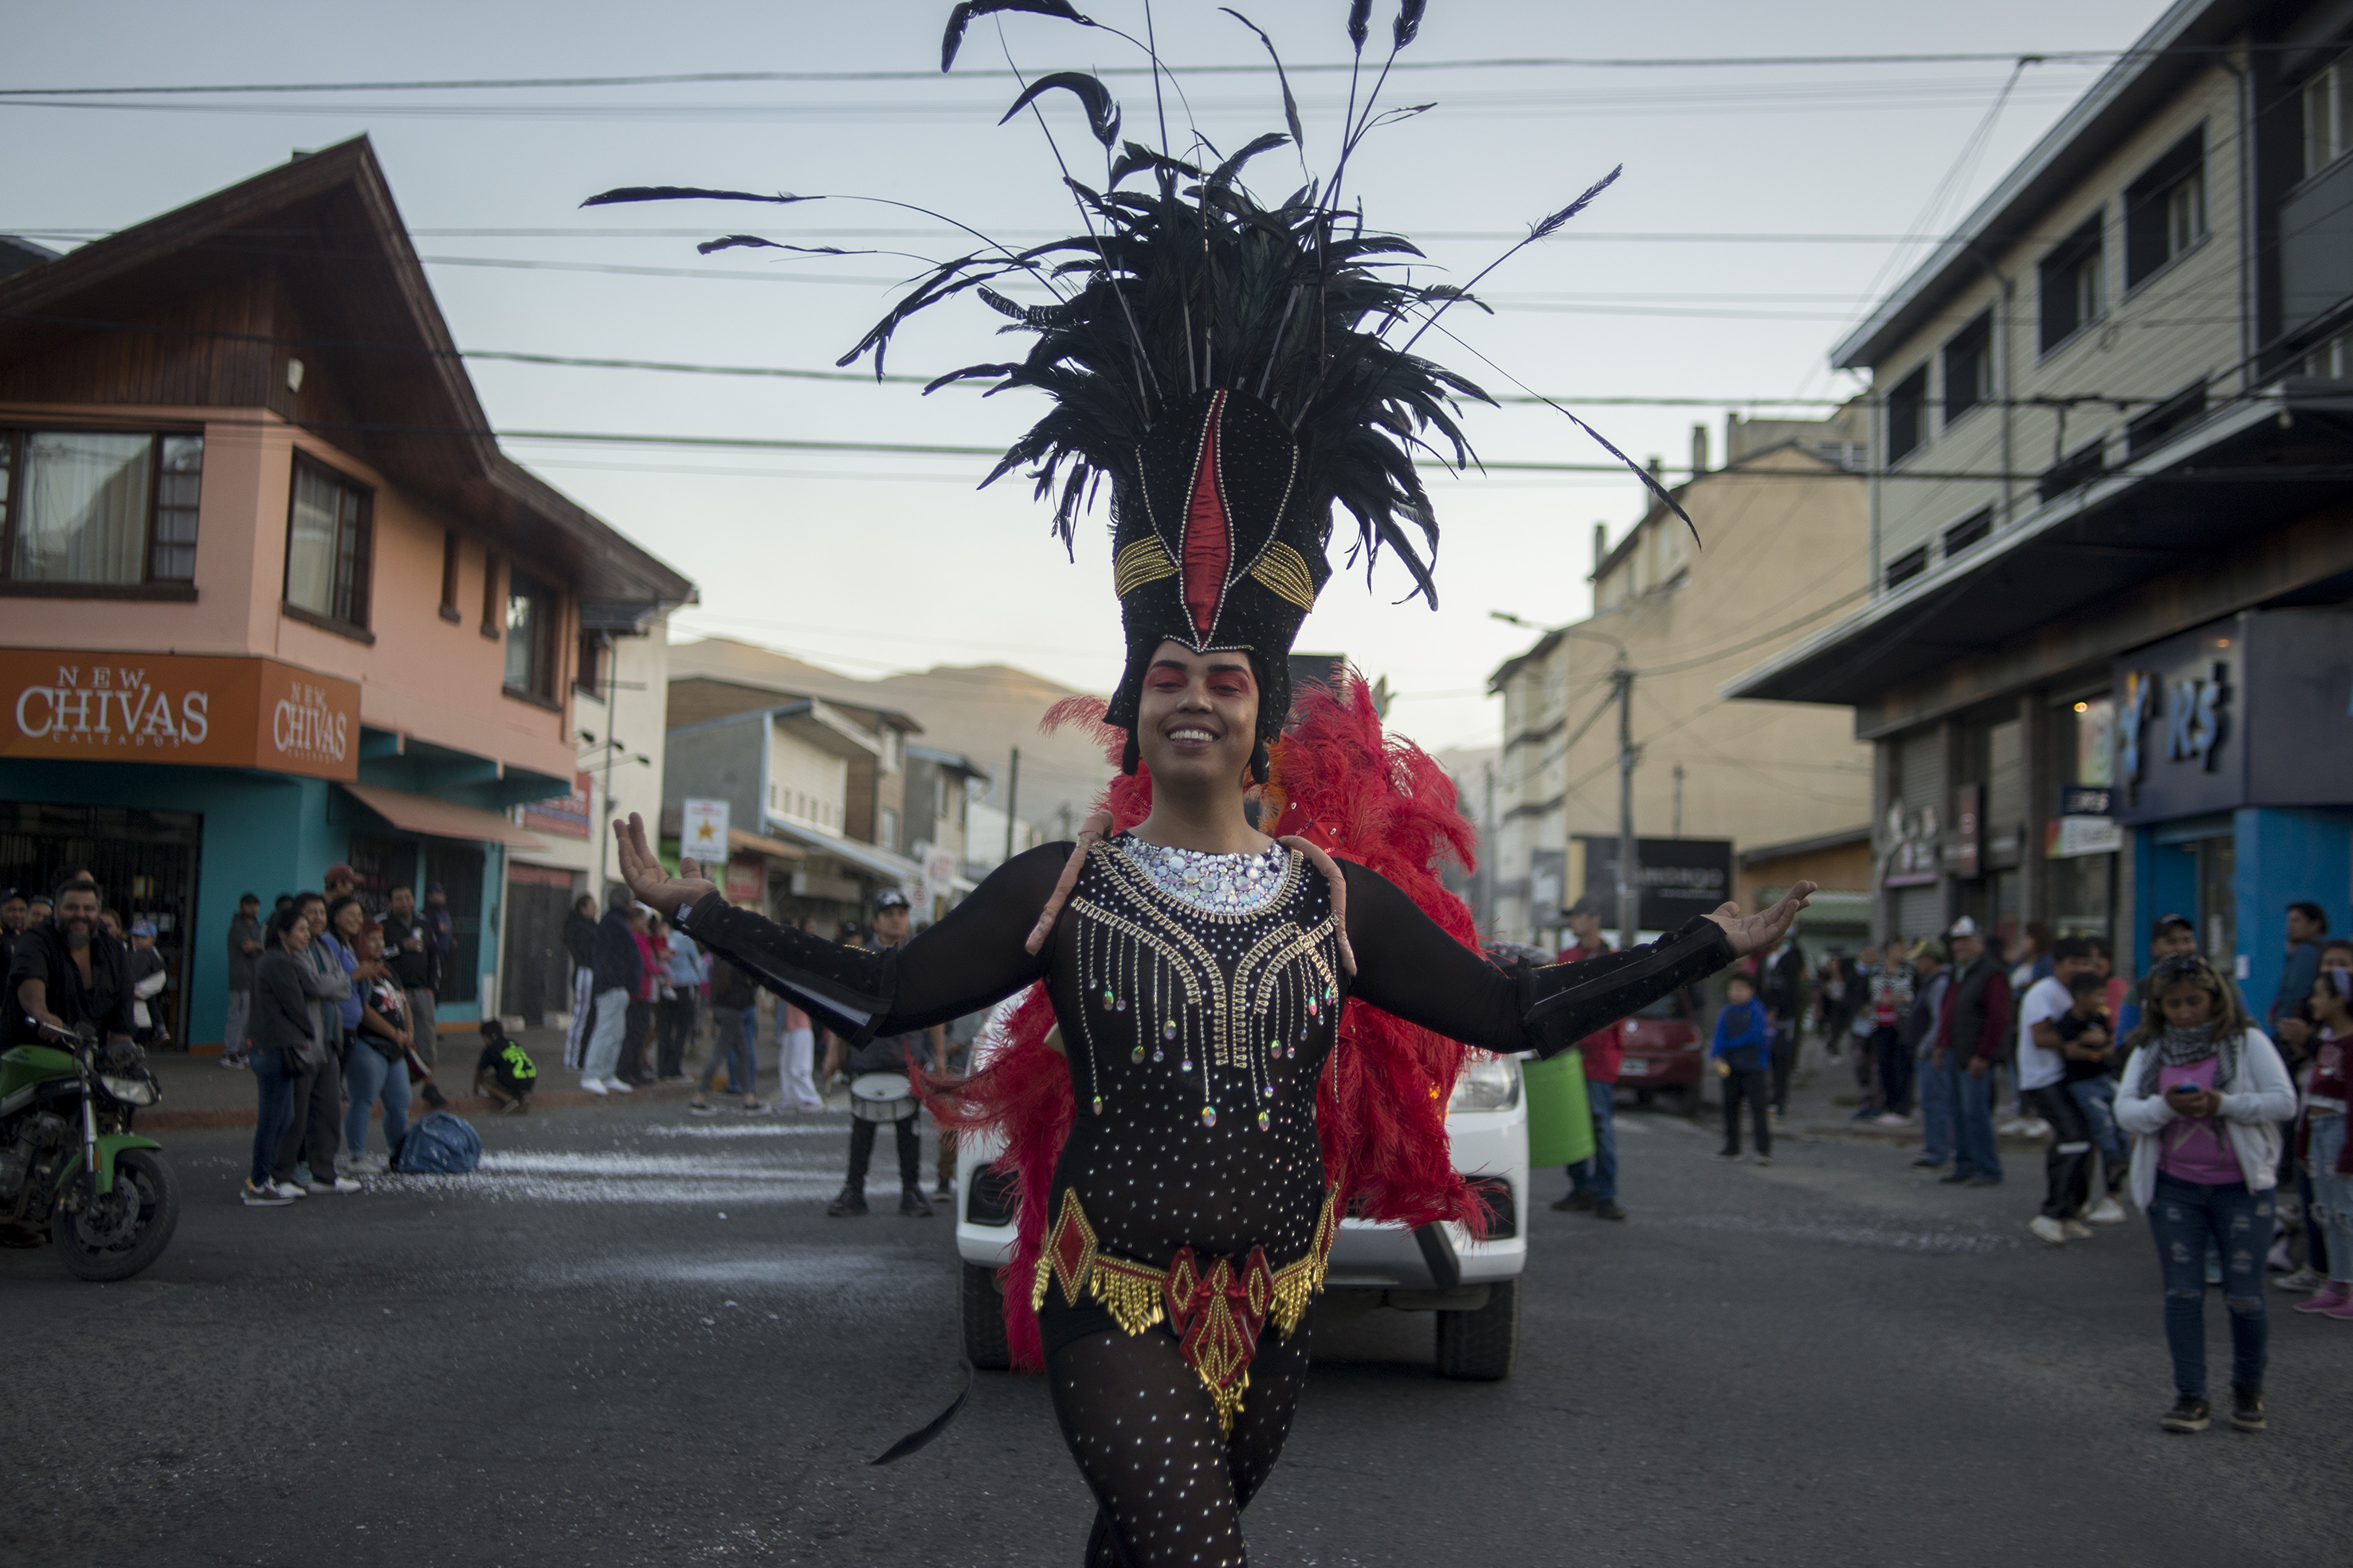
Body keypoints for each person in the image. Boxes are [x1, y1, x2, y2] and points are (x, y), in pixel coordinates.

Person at [2114, 952, 2295, 1434]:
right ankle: (2191, 1396)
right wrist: (2167, 1108)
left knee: (2245, 1296)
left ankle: (2248, 1390)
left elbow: (2284, 1101)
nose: (2185, 1013)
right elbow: (2126, 1112)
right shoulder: (2149, 1050)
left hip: (2242, 1188)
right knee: (2182, 1292)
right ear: (2159, 1007)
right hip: (2175, 1188)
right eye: (2173, 1004)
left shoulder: (2246, 1042)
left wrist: (2223, 1103)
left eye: (2194, 1001)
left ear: (2215, 998)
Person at [819, 889, 947, 1217]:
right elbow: (844, 1009)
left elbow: (935, 1011)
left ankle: (911, 1192)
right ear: (875, 921)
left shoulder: (918, 960)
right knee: (862, 1127)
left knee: (909, 1130)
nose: (896, 919)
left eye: (901, 913)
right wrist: (834, 1053)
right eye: (888, 914)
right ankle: (854, 1191)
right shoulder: (860, 960)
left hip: (908, 1058)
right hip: (867, 1056)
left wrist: (940, 1057)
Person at [273, 893, 359, 1197]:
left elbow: (344, 985)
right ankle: (282, 1174)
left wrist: (333, 983)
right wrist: (334, 983)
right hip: (305, 1044)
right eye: (312, 913)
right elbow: (315, 985)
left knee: (328, 1113)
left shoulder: (325, 946)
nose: (319, 918)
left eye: (322, 912)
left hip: (329, 1043)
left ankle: (324, 1174)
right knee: (296, 1115)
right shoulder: (296, 950)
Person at [2018, 937, 2101, 1244]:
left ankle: (2070, 1212)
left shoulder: (2077, 993)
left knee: (2084, 1140)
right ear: (2057, 965)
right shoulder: (2044, 992)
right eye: (2073, 964)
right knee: (2072, 1138)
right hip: (2043, 1078)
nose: (2080, 969)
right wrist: (2079, 1043)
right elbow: (2040, 1037)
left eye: (2086, 964)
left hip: (2069, 1077)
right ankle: (2050, 1214)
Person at [1551, 896, 1626, 1222]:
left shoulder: (1613, 958)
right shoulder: (1565, 957)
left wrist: (1577, 1035)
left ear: (1594, 918)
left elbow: (1616, 1008)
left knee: (1600, 1129)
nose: (1572, 921)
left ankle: (1605, 1195)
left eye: (1577, 915)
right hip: (1569, 1058)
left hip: (1599, 1060)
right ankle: (1581, 1189)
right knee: (1572, 1127)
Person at [243, 906, 320, 1205]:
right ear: (282, 933)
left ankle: (266, 1179)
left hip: (274, 1046)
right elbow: (295, 1003)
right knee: (272, 1119)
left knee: (284, 1116)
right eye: (300, 929)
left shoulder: (280, 960)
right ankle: (258, 1184)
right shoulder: (277, 962)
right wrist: (309, 1031)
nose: (306, 934)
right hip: (274, 1048)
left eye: (307, 929)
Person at [5, 876, 135, 1050]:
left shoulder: (114, 951)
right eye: (72, 908)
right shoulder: (35, 940)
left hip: (88, 1060)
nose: (80, 915)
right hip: (31, 1055)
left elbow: (122, 1027)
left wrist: (124, 1052)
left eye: (88, 909)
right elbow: (30, 977)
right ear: (56, 911)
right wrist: (42, 1013)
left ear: (98, 912)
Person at [2289, 970, 2353, 1315]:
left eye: (2319, 994)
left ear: (2339, 1000)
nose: (2313, 1002)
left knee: (2348, 1213)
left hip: (2341, 1132)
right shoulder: (2330, 1045)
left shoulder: (2350, 1045)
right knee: (2328, 1213)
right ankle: (2338, 1282)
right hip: (2319, 1132)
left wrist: (2349, 1151)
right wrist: (2303, 1142)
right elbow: (2313, 1092)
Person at [1931, 918, 2008, 1187]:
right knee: (1957, 1112)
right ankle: (1965, 1165)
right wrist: (1941, 1044)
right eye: (1956, 942)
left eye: (1965, 941)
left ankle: (1988, 1168)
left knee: (1975, 1112)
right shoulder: (1959, 972)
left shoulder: (1991, 973)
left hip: (1974, 1055)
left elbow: (1997, 1018)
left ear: (1980, 943)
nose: (1959, 947)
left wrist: (1984, 1054)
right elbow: (1948, 1011)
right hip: (1954, 1051)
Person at [2051, 970, 2131, 1225]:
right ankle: (2113, 1160)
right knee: (2102, 1125)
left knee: (2121, 1121)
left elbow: (2108, 1042)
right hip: (2082, 1083)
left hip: (2104, 1078)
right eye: (2097, 995)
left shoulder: (2100, 1017)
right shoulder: (2068, 1021)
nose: (2102, 1000)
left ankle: (2123, 1160)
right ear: (2080, 996)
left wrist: (2094, 1046)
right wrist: (2096, 1051)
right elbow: (2070, 1050)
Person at [340, 923, 412, 1174]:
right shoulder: (358, 970)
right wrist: (394, 1033)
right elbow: (363, 1010)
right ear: (360, 942)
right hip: (368, 1045)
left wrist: (409, 1032)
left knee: (400, 1102)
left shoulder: (388, 969)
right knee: (363, 1100)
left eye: (381, 938)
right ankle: (356, 1156)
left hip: (396, 1048)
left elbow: (403, 1001)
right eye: (372, 939)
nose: (379, 944)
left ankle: (397, 1153)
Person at [579, 888, 641, 1096]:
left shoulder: (614, 922)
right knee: (605, 1031)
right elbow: (612, 957)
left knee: (616, 1034)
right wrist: (617, 979)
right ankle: (591, 1075)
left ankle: (606, 1074)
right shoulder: (613, 924)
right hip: (611, 986)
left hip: (617, 986)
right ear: (627, 903)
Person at [378, 884, 442, 1082]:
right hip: (396, 992)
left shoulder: (423, 923)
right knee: (397, 1037)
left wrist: (432, 988)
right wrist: (400, 947)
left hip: (422, 991)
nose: (405, 902)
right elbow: (377, 954)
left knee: (427, 1039)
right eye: (399, 899)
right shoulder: (382, 924)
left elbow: (434, 956)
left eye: (408, 897)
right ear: (390, 903)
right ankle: (394, 1081)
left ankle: (429, 1085)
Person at [691, 955, 764, 1115]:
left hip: (724, 1008)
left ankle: (748, 1097)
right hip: (733, 1011)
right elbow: (748, 986)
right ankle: (699, 1096)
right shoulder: (736, 965)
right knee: (720, 1053)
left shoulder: (720, 962)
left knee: (741, 1052)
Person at [1712, 973, 1773, 1162]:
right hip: (1731, 1067)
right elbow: (1718, 1036)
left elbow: (1754, 1036)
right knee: (1730, 1107)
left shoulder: (1756, 1010)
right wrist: (1716, 1055)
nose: (1736, 993)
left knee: (1758, 1109)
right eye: (1733, 989)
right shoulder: (1727, 1012)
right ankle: (1732, 1147)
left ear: (1751, 991)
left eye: (1741, 989)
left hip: (1753, 1067)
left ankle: (1763, 1150)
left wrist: (1729, 1045)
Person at [1906, 940, 1955, 1170]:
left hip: (1931, 1054)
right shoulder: (1932, 982)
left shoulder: (1939, 983)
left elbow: (1939, 1021)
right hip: (1929, 1051)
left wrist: (1927, 1047)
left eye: (1919, 959)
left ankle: (1939, 1150)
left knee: (1935, 1102)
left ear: (1931, 959)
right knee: (1931, 1102)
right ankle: (1936, 1147)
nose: (1916, 964)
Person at [1860, 943, 1915, 1126]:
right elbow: (1867, 993)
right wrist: (1879, 999)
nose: (1902, 953)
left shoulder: (1909, 971)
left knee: (1902, 1066)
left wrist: (1901, 998)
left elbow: (1915, 994)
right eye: (1898, 949)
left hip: (1901, 1025)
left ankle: (1902, 1108)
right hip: (1879, 1024)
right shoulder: (1875, 971)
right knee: (1884, 1066)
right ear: (1888, 952)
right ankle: (1889, 1106)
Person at [2119, 913, 2198, 1037]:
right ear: (2154, 948)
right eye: (2171, 942)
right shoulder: (2141, 990)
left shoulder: (2214, 984)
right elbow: (2123, 1040)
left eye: (2187, 940)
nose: (2181, 948)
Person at [775, 918, 825, 1111]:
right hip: (791, 1028)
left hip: (801, 1028)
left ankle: (811, 1099)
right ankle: (791, 1099)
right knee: (787, 1067)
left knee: (799, 1068)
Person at [1759, 931, 1806, 1118]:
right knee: (1765, 1057)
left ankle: (1780, 1099)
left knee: (1781, 1058)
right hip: (1764, 1017)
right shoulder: (1764, 960)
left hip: (1783, 1018)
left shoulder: (1790, 958)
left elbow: (1792, 990)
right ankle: (1765, 1097)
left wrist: (1777, 1010)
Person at [618, 905, 661, 1086]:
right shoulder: (637, 940)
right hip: (637, 994)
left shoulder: (640, 939)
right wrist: (661, 971)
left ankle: (635, 1069)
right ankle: (627, 1070)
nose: (646, 923)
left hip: (640, 993)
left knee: (640, 1032)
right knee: (635, 1033)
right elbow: (645, 963)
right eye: (643, 920)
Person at [657, 917, 704, 1079]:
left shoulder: (661, 938)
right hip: (684, 986)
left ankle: (662, 1068)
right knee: (682, 1029)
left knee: (665, 1028)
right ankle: (674, 1067)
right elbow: (697, 961)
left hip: (665, 987)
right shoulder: (684, 939)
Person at [223, 892, 264, 1068]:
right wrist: (258, 946)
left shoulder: (257, 926)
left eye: (255, 905)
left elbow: (262, 946)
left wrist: (257, 945)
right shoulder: (237, 926)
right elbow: (248, 947)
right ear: (242, 907)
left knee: (247, 1018)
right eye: (249, 905)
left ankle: (241, 1051)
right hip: (240, 978)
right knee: (237, 1017)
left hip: (254, 979)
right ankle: (230, 1053)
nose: (253, 908)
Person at [2273, 901, 2328, 1033]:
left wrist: (2282, 1025)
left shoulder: (2307, 950)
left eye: (2296, 921)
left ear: (2315, 924)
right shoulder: (2324, 948)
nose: (2290, 926)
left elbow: (2296, 993)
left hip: (2296, 1028)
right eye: (2289, 921)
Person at [560, 892, 598, 1072]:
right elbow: (584, 951)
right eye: (592, 906)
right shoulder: (578, 928)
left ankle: (583, 1057)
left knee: (590, 1017)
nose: (595, 909)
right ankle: (572, 1059)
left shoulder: (592, 926)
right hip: (584, 972)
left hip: (592, 972)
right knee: (581, 1015)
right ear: (583, 909)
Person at [474, 1017, 538, 1115]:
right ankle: (525, 1098)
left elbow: (478, 1074)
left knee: (485, 1079)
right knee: (518, 1077)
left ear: (486, 1037)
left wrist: (475, 1091)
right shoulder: (512, 1043)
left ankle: (509, 1100)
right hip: (531, 1078)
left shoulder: (491, 1048)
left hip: (513, 1080)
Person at [124, 919, 170, 1046]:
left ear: (152, 940)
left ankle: (160, 1028)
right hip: (128, 1002)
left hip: (143, 996)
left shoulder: (153, 954)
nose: (139, 940)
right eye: (135, 936)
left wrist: (138, 990)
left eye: (143, 937)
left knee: (152, 1004)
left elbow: (160, 977)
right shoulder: (126, 950)